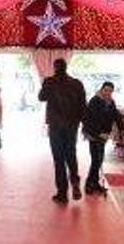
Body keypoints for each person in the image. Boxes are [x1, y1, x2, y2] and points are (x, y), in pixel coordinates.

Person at [38, 58, 86, 204]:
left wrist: (45, 85)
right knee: (71, 153)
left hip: (56, 125)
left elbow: (41, 98)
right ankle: (75, 181)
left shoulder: (49, 82)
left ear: (55, 68)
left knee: (58, 159)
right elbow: (83, 105)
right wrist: (83, 124)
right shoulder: (77, 83)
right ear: (66, 67)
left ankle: (62, 193)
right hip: (72, 125)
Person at [82, 82, 124, 194]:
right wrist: (98, 133)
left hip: (104, 135)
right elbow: (89, 120)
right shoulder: (94, 101)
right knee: (96, 159)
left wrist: (122, 129)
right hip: (93, 134)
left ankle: (95, 183)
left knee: (99, 159)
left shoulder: (111, 102)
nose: (108, 92)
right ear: (101, 89)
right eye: (106, 90)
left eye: (110, 91)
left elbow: (116, 116)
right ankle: (89, 184)